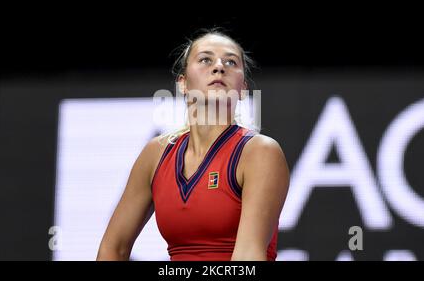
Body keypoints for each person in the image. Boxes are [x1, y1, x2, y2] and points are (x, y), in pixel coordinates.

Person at [96, 29, 290, 261]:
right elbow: (112, 249)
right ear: (183, 83)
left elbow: (248, 257)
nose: (219, 67)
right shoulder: (155, 154)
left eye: (230, 61)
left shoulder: (260, 152)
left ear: (242, 89)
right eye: (205, 59)